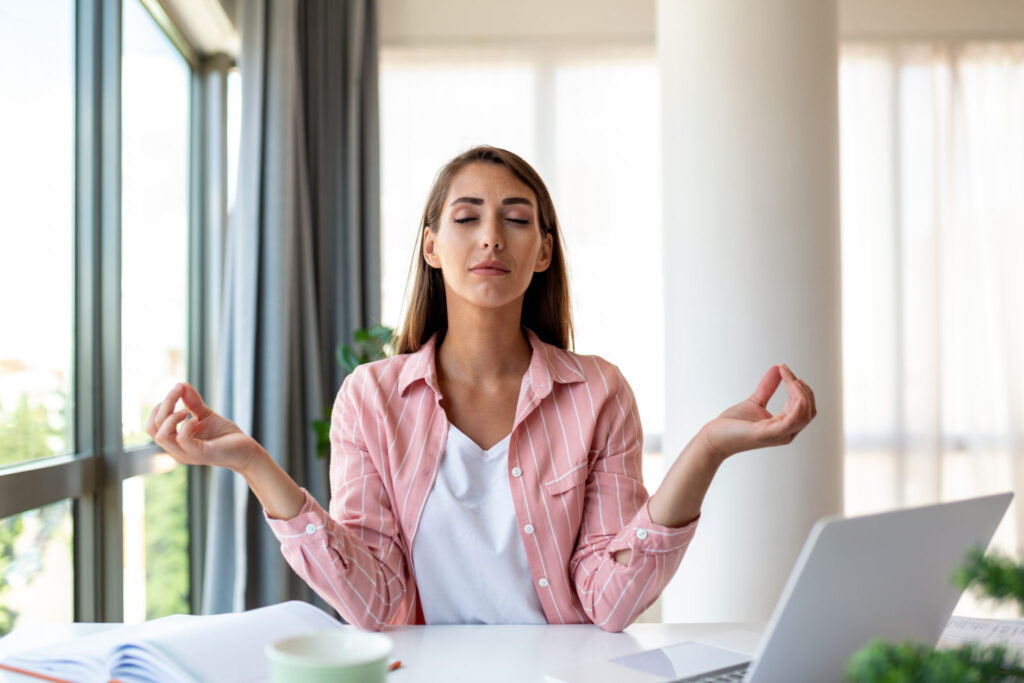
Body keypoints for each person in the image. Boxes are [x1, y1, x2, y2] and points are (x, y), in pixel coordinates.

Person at [146, 146, 816, 632]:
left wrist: (705, 450)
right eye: (467, 217)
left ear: (544, 251)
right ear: (432, 246)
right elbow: (374, 602)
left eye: (517, 218)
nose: (492, 235)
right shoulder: (370, 398)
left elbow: (609, 603)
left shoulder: (598, 392)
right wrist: (253, 465)